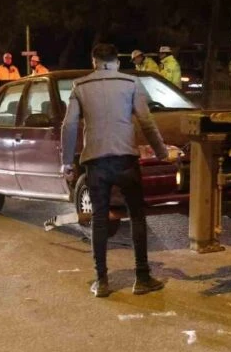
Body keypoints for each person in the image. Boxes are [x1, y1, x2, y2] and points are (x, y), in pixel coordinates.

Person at [61, 43, 173, 298]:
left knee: (100, 219)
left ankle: (101, 281)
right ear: (117, 62)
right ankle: (142, 277)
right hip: (126, 159)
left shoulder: (80, 87)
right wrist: (161, 152)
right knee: (136, 216)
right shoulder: (131, 83)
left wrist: (67, 162)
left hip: (96, 161)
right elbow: (146, 120)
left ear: (94, 62)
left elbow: (68, 127)